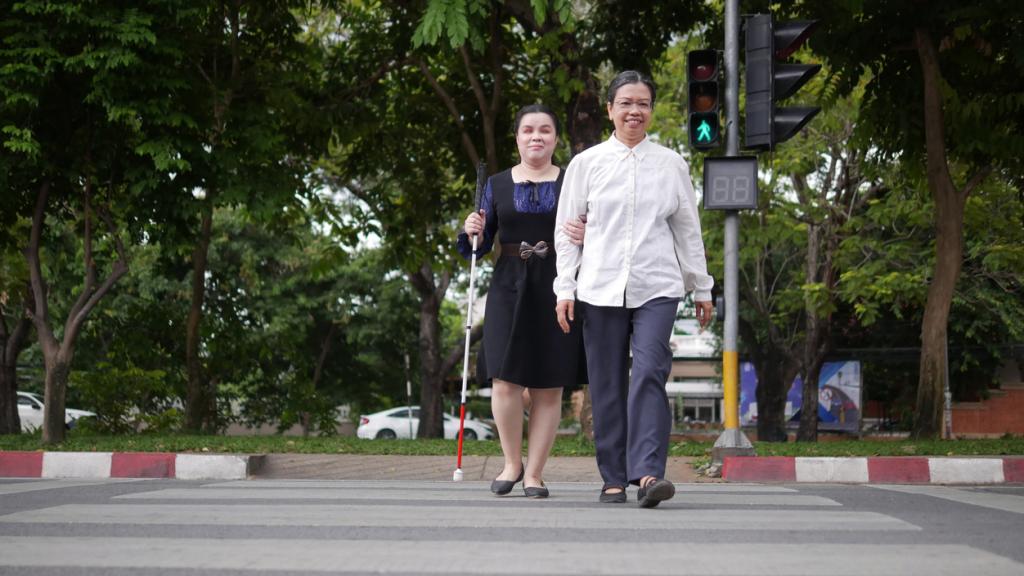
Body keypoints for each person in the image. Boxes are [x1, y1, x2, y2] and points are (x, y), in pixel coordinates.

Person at [553, 71, 714, 508]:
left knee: (648, 373)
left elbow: (687, 230)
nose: (634, 111)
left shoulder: (671, 164)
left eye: (642, 103)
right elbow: (566, 234)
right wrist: (564, 288)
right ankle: (612, 477)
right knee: (605, 383)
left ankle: (646, 475)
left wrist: (701, 288)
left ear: (651, 110)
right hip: (599, 286)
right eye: (625, 103)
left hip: (657, 285)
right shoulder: (586, 165)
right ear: (610, 109)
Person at [457, 104, 586, 498]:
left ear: (556, 138)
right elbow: (476, 250)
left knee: (550, 384)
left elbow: (594, 234)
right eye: (528, 130)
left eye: (545, 130)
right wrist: (471, 230)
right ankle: (511, 463)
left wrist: (587, 233)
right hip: (508, 285)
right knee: (504, 378)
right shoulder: (494, 185)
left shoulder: (572, 182)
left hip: (558, 286)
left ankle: (535, 473)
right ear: (516, 137)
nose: (536, 136)